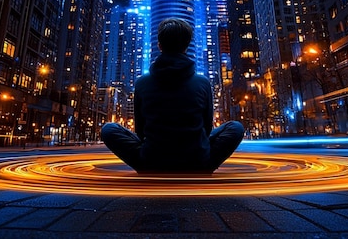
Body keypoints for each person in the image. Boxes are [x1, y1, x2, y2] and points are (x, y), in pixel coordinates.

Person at [101, 17, 244, 173]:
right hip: (197, 161)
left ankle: (153, 165)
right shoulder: (202, 83)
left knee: (109, 129)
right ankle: (202, 166)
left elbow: (140, 131)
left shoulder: (142, 83)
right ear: (186, 47)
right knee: (235, 127)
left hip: (151, 161)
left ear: (159, 46)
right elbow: (207, 127)